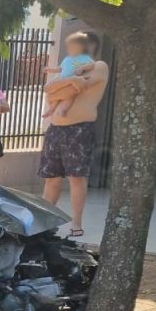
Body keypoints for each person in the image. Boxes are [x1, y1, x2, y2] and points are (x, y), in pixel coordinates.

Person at [40, 32, 109, 238]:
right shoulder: (68, 65)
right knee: (50, 178)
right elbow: (50, 89)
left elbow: (80, 86)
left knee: (76, 178)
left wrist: (64, 87)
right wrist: (67, 85)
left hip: (79, 130)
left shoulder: (99, 66)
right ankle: (45, 222)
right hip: (55, 130)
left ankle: (76, 223)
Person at [42, 32, 95, 119]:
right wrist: (50, 69)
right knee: (57, 96)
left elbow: (92, 64)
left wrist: (82, 68)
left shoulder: (83, 58)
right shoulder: (67, 59)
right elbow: (60, 68)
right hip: (62, 81)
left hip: (72, 82)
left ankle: (63, 109)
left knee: (69, 97)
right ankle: (51, 109)